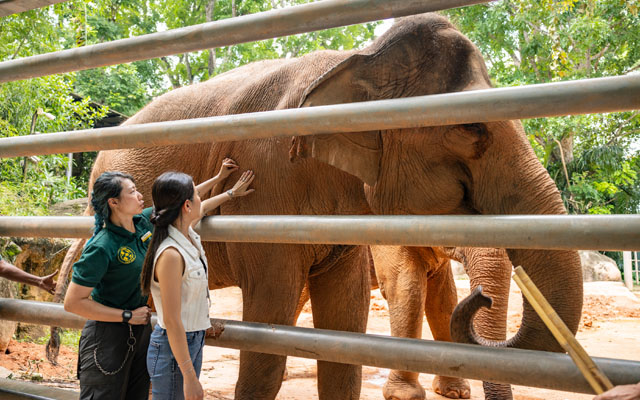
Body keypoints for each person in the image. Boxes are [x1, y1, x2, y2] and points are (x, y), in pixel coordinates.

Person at [63, 159, 239, 400]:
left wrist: (221, 182)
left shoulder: (143, 222)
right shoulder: (101, 246)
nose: (140, 195)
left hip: (139, 332)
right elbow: (73, 303)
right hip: (108, 336)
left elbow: (183, 202)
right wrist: (126, 315)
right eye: (132, 192)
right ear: (113, 202)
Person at [140, 167, 254, 400]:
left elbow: (205, 207)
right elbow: (172, 321)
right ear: (186, 206)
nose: (201, 198)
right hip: (174, 350)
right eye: (197, 195)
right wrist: (190, 378)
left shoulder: (186, 234)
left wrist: (230, 192)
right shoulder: (171, 254)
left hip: (190, 341)